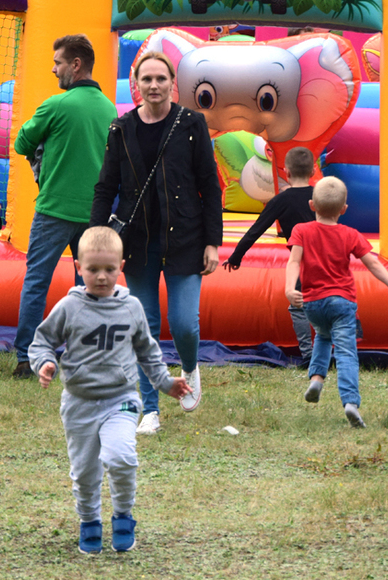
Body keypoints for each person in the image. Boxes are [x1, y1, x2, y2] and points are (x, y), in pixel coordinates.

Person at [28, 226, 191, 554]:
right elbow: (42, 340)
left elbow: (147, 350)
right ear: (78, 267)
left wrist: (165, 382)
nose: (102, 277)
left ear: (122, 265)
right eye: (93, 270)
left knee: (121, 456)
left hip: (121, 398)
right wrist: (45, 362)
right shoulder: (70, 307)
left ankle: (123, 516)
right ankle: (89, 521)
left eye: (109, 269)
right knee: (85, 472)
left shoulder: (130, 307)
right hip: (79, 403)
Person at [91, 51, 223, 434]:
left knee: (184, 324)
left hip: (185, 237)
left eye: (160, 79)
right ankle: (149, 409)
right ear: (136, 85)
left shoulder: (192, 124)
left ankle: (191, 368)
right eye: (146, 79)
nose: (153, 86)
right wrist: (95, 239)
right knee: (143, 326)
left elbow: (209, 188)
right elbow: (105, 188)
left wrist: (212, 242)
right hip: (137, 242)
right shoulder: (121, 128)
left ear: (172, 84)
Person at [12, 34, 118, 380]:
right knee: (91, 287)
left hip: (54, 209)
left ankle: (27, 357)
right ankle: (85, 356)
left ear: (75, 65)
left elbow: (21, 142)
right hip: (93, 215)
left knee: (36, 283)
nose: (53, 68)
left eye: (57, 62)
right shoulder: (109, 108)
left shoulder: (55, 105)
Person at [285, 176, 388, 428]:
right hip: (342, 303)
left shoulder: (301, 230)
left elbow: (294, 261)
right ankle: (350, 402)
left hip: (312, 303)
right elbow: (373, 263)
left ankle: (317, 380)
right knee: (346, 352)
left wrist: (290, 289)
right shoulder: (350, 234)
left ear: (312, 205)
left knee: (322, 335)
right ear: (344, 210)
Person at [223, 146, 317, 367]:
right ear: (313, 171)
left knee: (298, 306)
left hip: (302, 259)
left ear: (287, 172)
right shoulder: (320, 195)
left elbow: (256, 229)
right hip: (328, 257)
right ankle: (337, 350)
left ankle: (309, 355)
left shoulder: (280, 201)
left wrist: (236, 257)